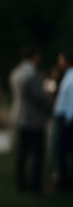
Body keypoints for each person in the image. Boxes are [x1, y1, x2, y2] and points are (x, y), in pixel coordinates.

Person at [9, 47, 48, 192]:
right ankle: (35, 184)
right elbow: (38, 97)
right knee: (37, 152)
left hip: (18, 115)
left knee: (22, 152)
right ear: (34, 56)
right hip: (32, 118)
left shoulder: (15, 72)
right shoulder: (31, 74)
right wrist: (47, 94)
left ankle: (21, 182)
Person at [53, 52, 73, 189]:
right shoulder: (67, 75)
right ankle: (64, 180)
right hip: (64, 118)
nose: (59, 63)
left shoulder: (71, 76)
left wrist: (68, 120)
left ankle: (65, 182)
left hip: (67, 120)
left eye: (61, 60)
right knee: (62, 151)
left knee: (64, 151)